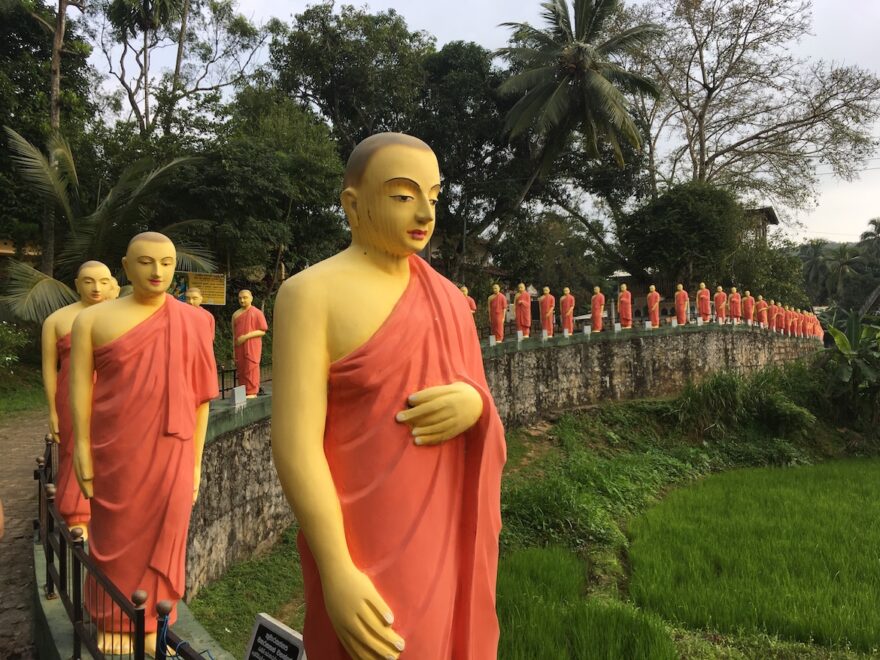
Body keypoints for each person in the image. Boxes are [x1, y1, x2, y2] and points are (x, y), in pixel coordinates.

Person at [271, 133, 506, 659]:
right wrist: (336, 569)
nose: (424, 211)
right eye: (403, 195)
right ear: (353, 204)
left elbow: (479, 395)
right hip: (359, 534)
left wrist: (474, 406)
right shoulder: (310, 294)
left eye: (434, 196)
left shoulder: (448, 298)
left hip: (438, 527)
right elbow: (294, 443)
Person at [70, 233, 218, 655]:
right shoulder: (93, 321)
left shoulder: (193, 321)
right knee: (113, 532)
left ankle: (155, 622)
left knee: (166, 534)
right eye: (147, 262)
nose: (157, 272)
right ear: (126, 265)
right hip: (116, 448)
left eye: (167, 263)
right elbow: (78, 391)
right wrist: (81, 448)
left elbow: (201, 399)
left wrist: (195, 464)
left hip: (174, 448)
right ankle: (113, 619)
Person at [41, 261, 114, 537]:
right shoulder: (57, 320)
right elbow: (49, 369)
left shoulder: (117, 316)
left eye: (103, 281)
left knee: (112, 448)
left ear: (111, 283)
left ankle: (111, 508)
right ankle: (77, 513)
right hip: (71, 394)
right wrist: (52, 411)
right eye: (88, 281)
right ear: (76, 283)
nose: (96, 288)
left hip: (110, 390)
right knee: (74, 448)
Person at [232, 290, 268, 398]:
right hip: (239, 346)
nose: (242, 300)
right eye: (240, 298)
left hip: (252, 346)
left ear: (251, 298)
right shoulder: (236, 314)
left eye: (245, 297)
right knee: (241, 369)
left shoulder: (257, 313)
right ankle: (243, 390)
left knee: (251, 367)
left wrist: (246, 337)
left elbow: (263, 331)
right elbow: (234, 334)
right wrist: (233, 350)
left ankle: (252, 391)